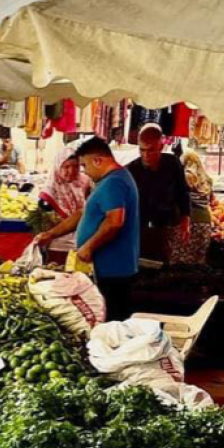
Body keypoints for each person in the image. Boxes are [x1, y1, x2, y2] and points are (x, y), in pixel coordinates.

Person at [71, 135, 141, 320]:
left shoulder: (114, 182)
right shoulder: (116, 178)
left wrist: (88, 246)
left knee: (113, 321)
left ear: (98, 160)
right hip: (113, 267)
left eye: (85, 166)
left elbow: (114, 221)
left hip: (113, 269)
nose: (84, 172)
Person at [127, 123, 191, 264]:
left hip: (168, 225)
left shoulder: (172, 163)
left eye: (151, 150)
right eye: (142, 150)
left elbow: (183, 191)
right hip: (140, 228)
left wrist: (185, 220)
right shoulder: (132, 170)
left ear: (161, 147)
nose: (146, 155)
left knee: (166, 266)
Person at [32, 148, 92, 254]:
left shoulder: (84, 182)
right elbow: (45, 223)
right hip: (57, 246)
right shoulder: (50, 191)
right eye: (66, 166)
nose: (71, 171)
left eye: (75, 166)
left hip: (82, 244)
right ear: (58, 167)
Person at [179, 150, 214, 264]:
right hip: (205, 222)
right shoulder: (207, 179)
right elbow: (212, 201)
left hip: (189, 222)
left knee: (184, 258)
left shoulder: (185, 176)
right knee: (199, 260)